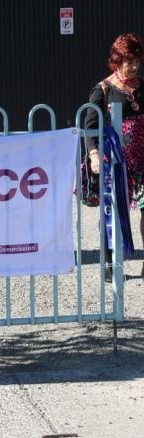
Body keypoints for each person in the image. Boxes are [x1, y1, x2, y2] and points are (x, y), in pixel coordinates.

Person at [84, 32, 144, 282]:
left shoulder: (141, 87)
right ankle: (109, 262)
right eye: (129, 61)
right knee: (111, 211)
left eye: (137, 61)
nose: (134, 66)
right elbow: (90, 126)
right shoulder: (103, 89)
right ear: (117, 60)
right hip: (114, 160)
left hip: (141, 160)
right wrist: (94, 155)